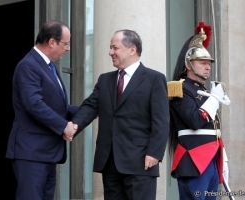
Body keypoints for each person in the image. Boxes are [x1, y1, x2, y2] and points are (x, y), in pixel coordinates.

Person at [71, 29, 169, 200]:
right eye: (110, 48)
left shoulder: (154, 79)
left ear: (132, 49)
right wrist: (74, 126)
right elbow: (90, 106)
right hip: (109, 161)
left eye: (114, 48)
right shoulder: (105, 79)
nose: (110, 52)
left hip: (141, 162)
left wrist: (154, 153)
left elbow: (161, 120)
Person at [5, 20, 79, 200]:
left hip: (46, 152)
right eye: (66, 43)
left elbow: (57, 107)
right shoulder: (28, 65)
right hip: (31, 152)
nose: (68, 48)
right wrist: (64, 126)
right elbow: (34, 105)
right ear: (52, 42)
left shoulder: (48, 66)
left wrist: (89, 111)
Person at [167, 22, 230, 200]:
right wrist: (213, 99)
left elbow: (214, 130)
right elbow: (194, 121)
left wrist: (222, 157)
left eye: (208, 63)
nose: (208, 67)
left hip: (211, 159)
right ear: (189, 65)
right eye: (202, 63)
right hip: (193, 159)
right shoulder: (180, 88)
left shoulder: (206, 92)